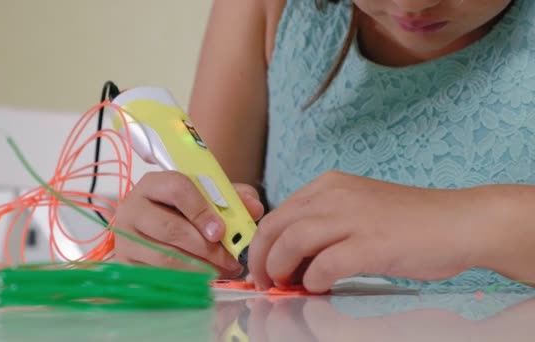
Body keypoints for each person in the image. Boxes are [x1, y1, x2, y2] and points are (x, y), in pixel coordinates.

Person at [114, 0, 535, 293]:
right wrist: (167, 243)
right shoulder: (271, 9)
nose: (410, 6)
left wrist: (468, 224)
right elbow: (209, 238)